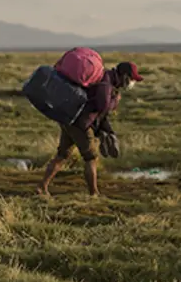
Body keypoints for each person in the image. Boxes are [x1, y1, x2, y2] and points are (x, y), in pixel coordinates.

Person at [36, 61, 143, 197]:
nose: (132, 82)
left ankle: (42, 187)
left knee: (62, 155)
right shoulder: (106, 85)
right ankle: (94, 194)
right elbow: (102, 107)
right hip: (80, 124)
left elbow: (100, 112)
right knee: (91, 158)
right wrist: (115, 101)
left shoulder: (106, 79)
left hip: (70, 119)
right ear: (125, 76)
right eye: (132, 79)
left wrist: (107, 131)